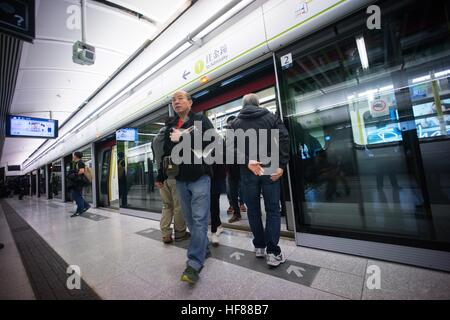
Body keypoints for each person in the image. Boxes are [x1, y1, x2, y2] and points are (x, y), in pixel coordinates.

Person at [159, 90, 214, 284]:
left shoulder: (201, 121)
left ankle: (194, 263)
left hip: (200, 176)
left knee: (199, 219)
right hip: (180, 178)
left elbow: (211, 143)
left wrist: (183, 137)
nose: (176, 102)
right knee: (190, 220)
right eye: (173, 100)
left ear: (190, 103)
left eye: (180, 98)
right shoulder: (169, 126)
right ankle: (203, 247)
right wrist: (161, 174)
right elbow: (166, 152)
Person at [229, 93, 290, 267]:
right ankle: (273, 252)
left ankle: (259, 247)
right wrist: (281, 165)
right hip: (269, 166)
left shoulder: (234, 123)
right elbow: (284, 139)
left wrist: (248, 161)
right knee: (272, 210)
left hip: (248, 171)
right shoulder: (271, 117)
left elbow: (229, 149)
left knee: (253, 210)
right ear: (258, 103)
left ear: (243, 106)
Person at [155, 119, 189, 244]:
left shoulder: (155, 140)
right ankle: (180, 233)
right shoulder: (174, 134)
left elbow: (157, 159)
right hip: (175, 176)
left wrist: (159, 176)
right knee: (178, 206)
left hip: (162, 178)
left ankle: (165, 234)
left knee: (166, 206)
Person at [225, 116, 243, 223]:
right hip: (231, 168)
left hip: (242, 166)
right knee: (232, 191)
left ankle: (252, 211)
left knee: (246, 190)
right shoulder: (227, 137)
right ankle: (236, 213)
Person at [68, 151, 91, 217]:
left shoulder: (80, 162)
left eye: (74, 155)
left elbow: (82, 171)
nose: (73, 156)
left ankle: (80, 210)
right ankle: (86, 206)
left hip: (78, 183)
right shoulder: (77, 163)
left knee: (77, 196)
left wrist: (73, 175)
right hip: (77, 182)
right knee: (77, 196)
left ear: (76, 156)